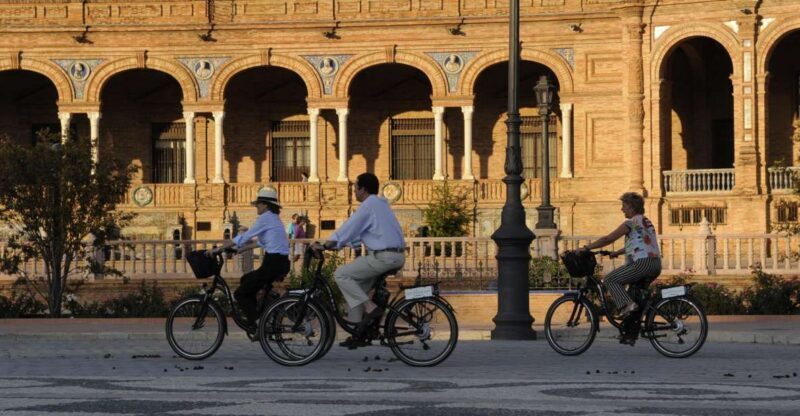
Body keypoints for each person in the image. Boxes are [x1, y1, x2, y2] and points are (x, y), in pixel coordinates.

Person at [315, 172, 405, 347]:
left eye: (355, 188)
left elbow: (348, 228)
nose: (353, 192)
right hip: (395, 256)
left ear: (363, 189)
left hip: (383, 257)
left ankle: (370, 308)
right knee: (356, 291)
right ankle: (359, 333)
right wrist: (336, 245)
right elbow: (356, 236)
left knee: (341, 275)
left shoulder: (368, 205)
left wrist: (325, 245)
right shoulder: (381, 204)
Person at [207, 188, 290, 330]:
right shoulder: (274, 219)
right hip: (280, 263)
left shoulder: (265, 218)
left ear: (266, 205)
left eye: (258, 204)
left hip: (272, 263)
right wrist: (239, 250)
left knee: (240, 294)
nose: (256, 206)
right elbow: (260, 242)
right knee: (246, 279)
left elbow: (245, 236)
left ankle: (257, 323)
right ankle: (260, 312)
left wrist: (218, 249)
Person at [577, 192, 661, 322]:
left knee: (610, 279)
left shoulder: (631, 223)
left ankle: (627, 306)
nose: (622, 209)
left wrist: (587, 248)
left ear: (632, 207)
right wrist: (617, 253)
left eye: (624, 206)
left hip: (643, 264)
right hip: (655, 264)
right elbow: (640, 244)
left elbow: (608, 239)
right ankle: (632, 326)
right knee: (634, 292)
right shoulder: (646, 222)